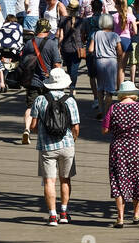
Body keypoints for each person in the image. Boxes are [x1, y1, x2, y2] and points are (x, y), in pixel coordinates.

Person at [30, 66, 80, 226]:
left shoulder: (40, 100)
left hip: (47, 147)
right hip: (67, 146)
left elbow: (33, 126)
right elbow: (76, 127)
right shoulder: (70, 101)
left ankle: (52, 216)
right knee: (65, 180)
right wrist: (72, 140)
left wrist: (42, 132)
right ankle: (64, 213)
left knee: (49, 181)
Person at [102, 81, 139, 227]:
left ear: (121, 94)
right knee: (136, 178)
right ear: (134, 94)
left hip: (118, 147)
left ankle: (120, 217)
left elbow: (104, 130)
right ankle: (136, 213)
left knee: (118, 179)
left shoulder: (113, 108)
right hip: (135, 146)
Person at [21, 19, 62, 145]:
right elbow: (57, 64)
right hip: (48, 81)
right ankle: (48, 131)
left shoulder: (29, 43)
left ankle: (27, 129)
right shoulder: (51, 44)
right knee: (49, 106)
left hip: (32, 80)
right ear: (48, 30)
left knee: (30, 106)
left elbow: (23, 61)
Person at [88, 13, 122, 117]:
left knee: (100, 88)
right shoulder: (115, 35)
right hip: (111, 62)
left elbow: (90, 49)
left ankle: (101, 111)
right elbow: (120, 52)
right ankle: (107, 114)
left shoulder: (96, 34)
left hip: (99, 61)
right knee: (110, 90)